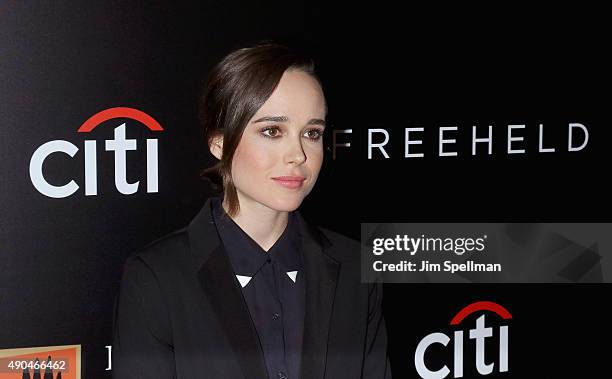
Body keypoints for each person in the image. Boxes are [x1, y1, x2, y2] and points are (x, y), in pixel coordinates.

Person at [111, 41, 392, 379]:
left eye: (312, 133)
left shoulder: (355, 269)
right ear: (219, 143)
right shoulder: (157, 279)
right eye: (272, 131)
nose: (298, 155)